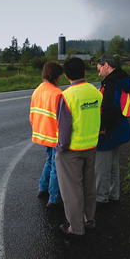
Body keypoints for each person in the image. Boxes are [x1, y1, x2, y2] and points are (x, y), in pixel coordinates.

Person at [55, 57, 103, 239]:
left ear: (66, 76)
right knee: (89, 186)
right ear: (84, 72)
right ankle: (89, 220)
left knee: (72, 191)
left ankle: (76, 228)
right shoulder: (95, 92)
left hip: (72, 150)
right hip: (91, 145)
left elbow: (65, 127)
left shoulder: (67, 96)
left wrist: (61, 148)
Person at [95, 55, 130, 208]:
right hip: (120, 126)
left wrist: (102, 126)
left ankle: (101, 200)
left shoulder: (111, 82)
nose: (99, 74)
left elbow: (110, 108)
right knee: (113, 166)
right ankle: (113, 195)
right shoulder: (123, 79)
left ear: (106, 65)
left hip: (110, 129)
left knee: (102, 167)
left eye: (99, 70)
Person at [30, 62, 64, 209]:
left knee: (49, 161)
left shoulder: (36, 91)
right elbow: (62, 119)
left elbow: (32, 116)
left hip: (42, 134)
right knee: (56, 166)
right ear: (56, 76)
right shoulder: (57, 93)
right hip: (54, 136)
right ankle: (54, 198)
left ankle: (43, 188)